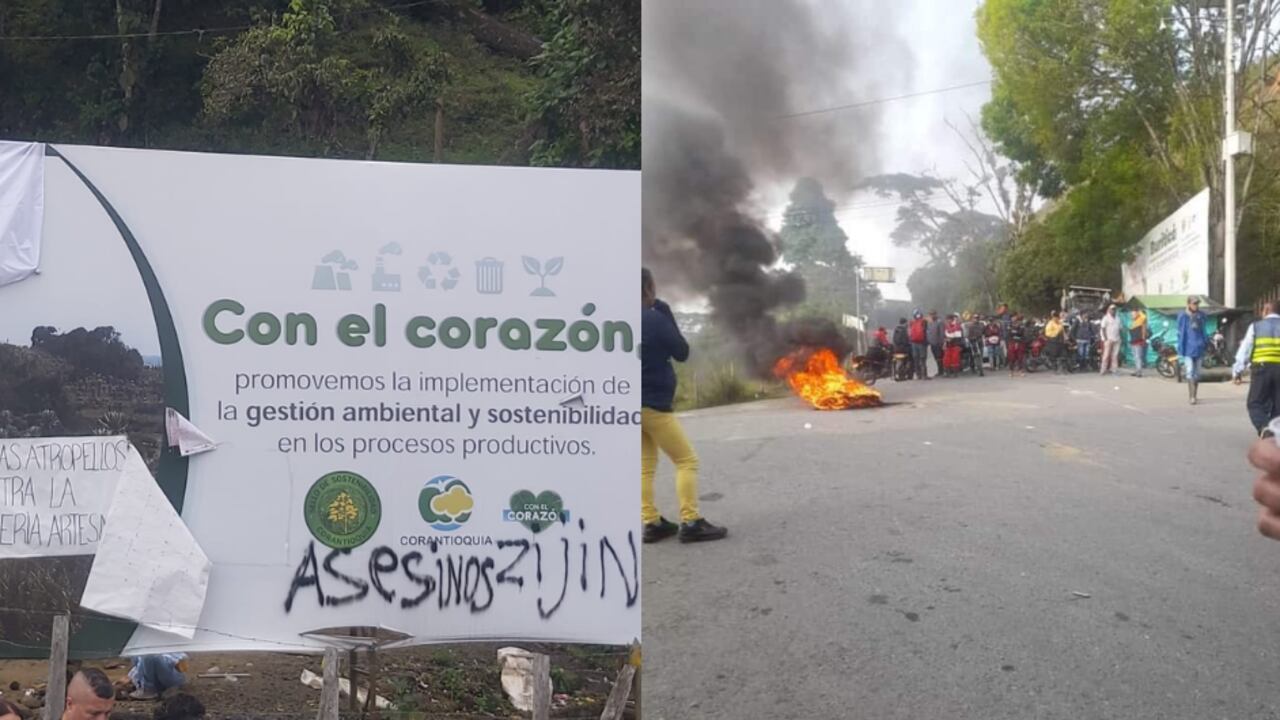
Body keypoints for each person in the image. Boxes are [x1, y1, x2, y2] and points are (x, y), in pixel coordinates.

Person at [640, 268, 726, 543]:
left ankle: (651, 522)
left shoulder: (615, 320)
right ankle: (691, 521)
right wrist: (665, 314)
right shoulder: (654, 319)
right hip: (653, 402)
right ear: (648, 288)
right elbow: (682, 352)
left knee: (645, 465)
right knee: (686, 460)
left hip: (626, 403)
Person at [1234, 301, 1280, 436]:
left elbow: (1245, 349)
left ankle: (1264, 428)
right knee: (1278, 405)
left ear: (1265, 311)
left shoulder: (1255, 326)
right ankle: (1274, 432)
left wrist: (1237, 370)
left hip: (1261, 369)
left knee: (1255, 403)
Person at [1177, 296, 1208, 405]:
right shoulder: (1183, 316)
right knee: (1190, 371)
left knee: (1197, 373)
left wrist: (1206, 343)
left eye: (1197, 304)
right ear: (1188, 304)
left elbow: (1204, 330)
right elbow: (1180, 332)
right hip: (1188, 348)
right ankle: (1192, 396)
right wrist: (1180, 347)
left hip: (1199, 347)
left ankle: (1195, 394)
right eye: (1194, 303)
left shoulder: (1201, 315)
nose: (1196, 306)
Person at [908, 310, 930, 380]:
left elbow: (909, 333)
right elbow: (927, 332)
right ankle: (924, 375)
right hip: (922, 343)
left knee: (916, 359)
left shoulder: (911, 322)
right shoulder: (924, 322)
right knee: (923, 359)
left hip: (914, 343)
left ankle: (918, 375)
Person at [1100, 304, 1122, 375]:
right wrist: (1106, 338)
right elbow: (1103, 328)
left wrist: (1120, 337)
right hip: (1109, 339)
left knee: (1115, 355)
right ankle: (1103, 369)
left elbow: (1120, 329)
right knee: (1106, 355)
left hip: (1117, 339)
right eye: (1112, 309)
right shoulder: (1106, 318)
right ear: (1109, 310)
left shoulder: (1118, 318)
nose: (1113, 310)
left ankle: (1114, 369)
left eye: (1114, 309)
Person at [1129, 306, 1149, 377]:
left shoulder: (1142, 319)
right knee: (1135, 357)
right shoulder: (1134, 321)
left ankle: (1139, 372)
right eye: (1132, 314)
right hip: (1133, 341)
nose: (1132, 315)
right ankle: (1137, 370)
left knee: (1138, 357)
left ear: (1137, 313)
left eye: (1133, 313)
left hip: (1138, 341)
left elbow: (1144, 318)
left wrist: (1139, 310)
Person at [927, 310, 945, 376]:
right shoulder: (930, 323)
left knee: (940, 357)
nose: (932, 316)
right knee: (936, 358)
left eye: (933, 314)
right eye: (931, 315)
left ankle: (942, 371)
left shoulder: (939, 322)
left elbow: (942, 333)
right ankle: (939, 370)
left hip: (938, 343)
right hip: (932, 344)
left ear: (936, 314)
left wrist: (942, 343)